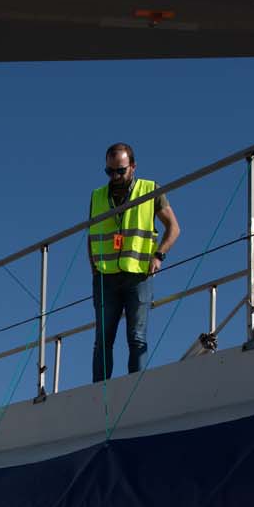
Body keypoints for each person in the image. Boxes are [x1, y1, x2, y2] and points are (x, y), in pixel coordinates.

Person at [88, 142, 180, 381]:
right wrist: (95, 270)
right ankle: (99, 391)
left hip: (138, 274)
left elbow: (174, 228)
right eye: (110, 171)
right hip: (105, 277)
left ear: (133, 167)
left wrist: (159, 255)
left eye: (120, 171)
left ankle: (135, 388)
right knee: (103, 340)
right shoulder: (97, 196)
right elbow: (91, 236)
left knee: (136, 337)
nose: (115, 177)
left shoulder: (150, 190)